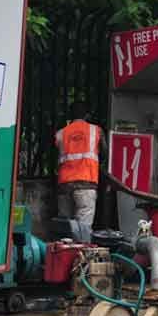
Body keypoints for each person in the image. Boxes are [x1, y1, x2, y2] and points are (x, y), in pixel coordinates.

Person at [55, 101, 105, 242]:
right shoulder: (96, 131)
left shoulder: (61, 133)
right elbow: (105, 153)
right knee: (83, 228)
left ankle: (63, 257)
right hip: (86, 183)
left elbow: (56, 157)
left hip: (64, 184)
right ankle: (79, 259)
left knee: (65, 227)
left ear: (70, 115)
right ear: (87, 115)